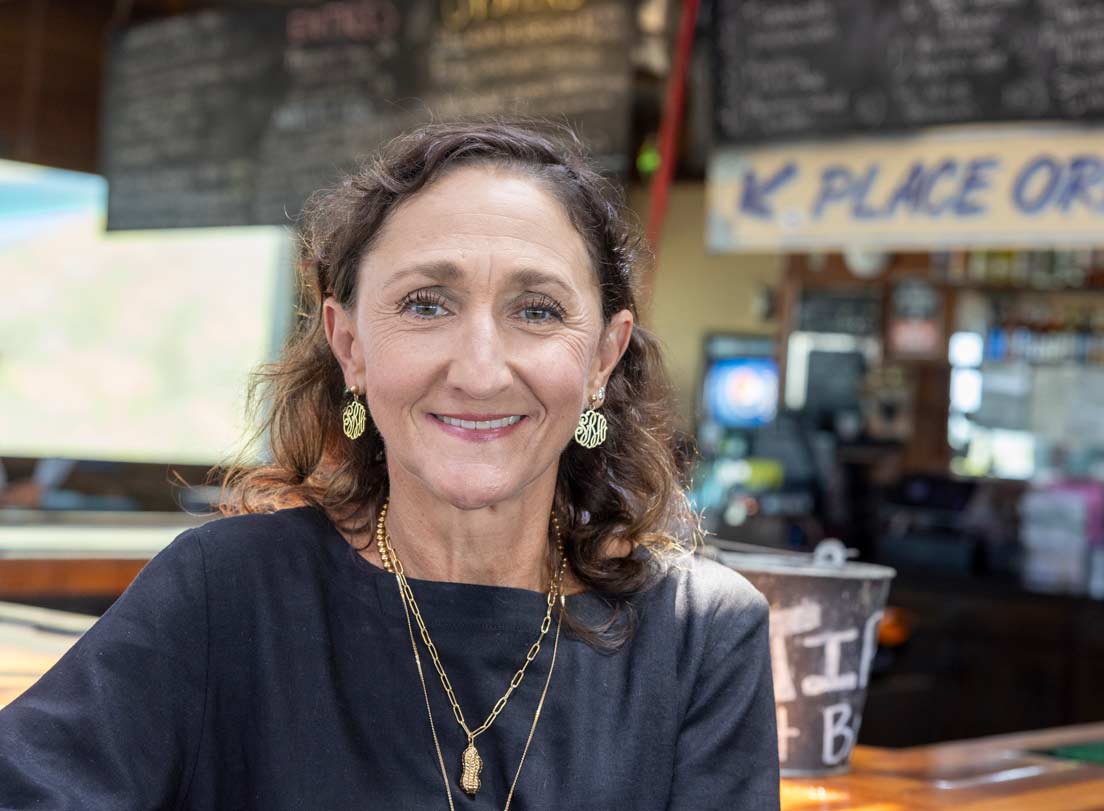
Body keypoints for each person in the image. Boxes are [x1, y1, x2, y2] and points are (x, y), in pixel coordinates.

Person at [0, 121, 781, 809]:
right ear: (350, 346)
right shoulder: (225, 591)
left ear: (602, 359)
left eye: (537, 309)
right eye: (426, 304)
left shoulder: (701, 636)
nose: (479, 369)